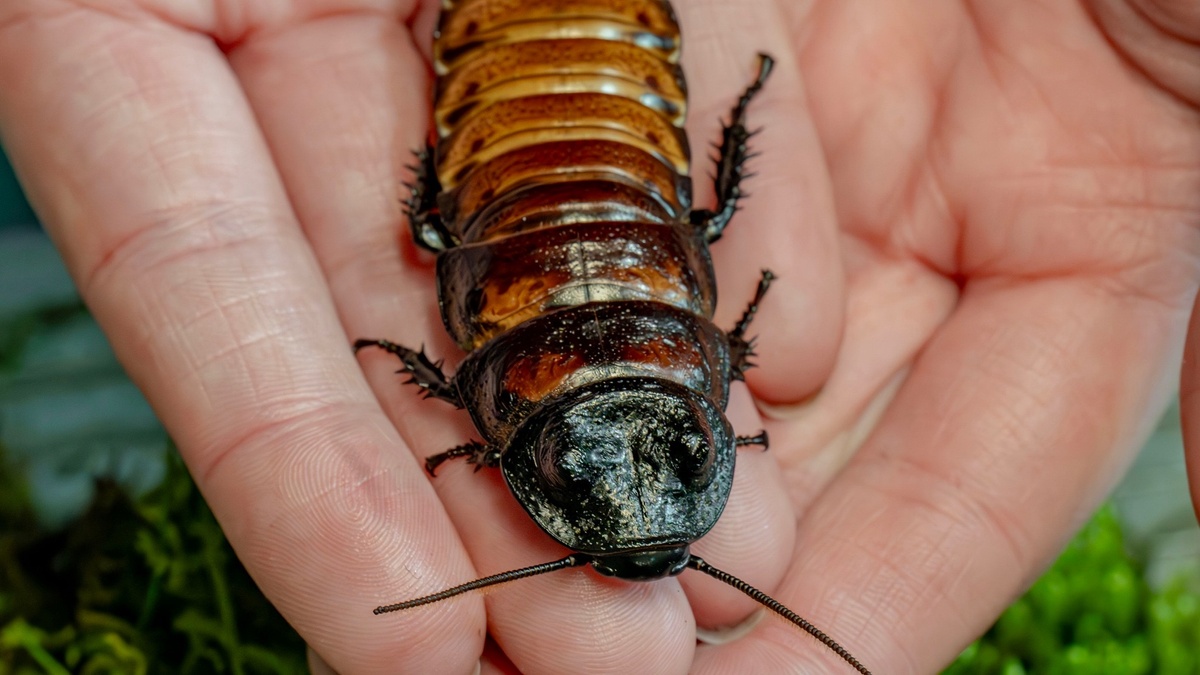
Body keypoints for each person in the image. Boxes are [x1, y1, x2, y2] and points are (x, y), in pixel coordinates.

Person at [1, 1, 1197, 673]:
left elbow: (441, 264)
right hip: (585, 74)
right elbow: (452, 276)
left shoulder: (591, 356)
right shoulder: (532, 359)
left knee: (466, 228)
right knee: (527, 224)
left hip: (535, 86)